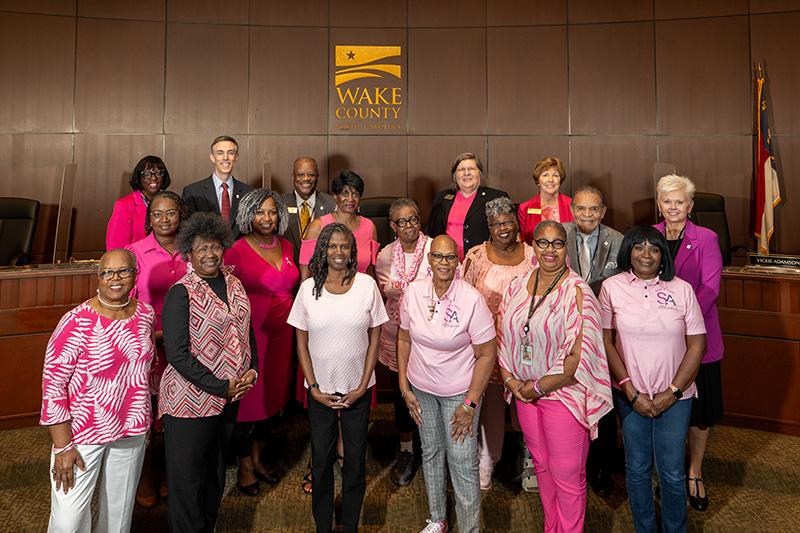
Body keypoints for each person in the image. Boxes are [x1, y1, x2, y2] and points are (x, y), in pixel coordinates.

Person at [497, 221, 612, 533]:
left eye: (557, 243)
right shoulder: (516, 286)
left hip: (564, 394)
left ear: (566, 247)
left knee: (567, 475)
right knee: (543, 468)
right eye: (542, 242)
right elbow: (503, 335)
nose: (549, 250)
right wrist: (510, 381)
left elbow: (576, 357)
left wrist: (536, 387)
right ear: (533, 246)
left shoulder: (578, 292)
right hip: (524, 393)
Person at [599, 224, 706, 533]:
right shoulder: (612, 287)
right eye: (638, 247)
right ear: (628, 252)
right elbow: (606, 342)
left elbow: (698, 344)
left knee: (672, 472)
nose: (646, 254)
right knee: (637, 469)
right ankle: (645, 528)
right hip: (631, 396)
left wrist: (672, 392)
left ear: (663, 256)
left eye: (654, 248)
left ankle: (676, 529)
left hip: (676, 397)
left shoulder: (682, 289)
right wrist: (630, 391)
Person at [40, 249, 156, 533]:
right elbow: (53, 385)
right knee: (69, 522)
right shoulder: (76, 321)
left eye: (123, 271)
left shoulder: (145, 315)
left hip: (132, 428)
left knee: (118, 517)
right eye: (107, 272)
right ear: (98, 277)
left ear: (135, 275)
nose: (115, 278)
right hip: (82, 434)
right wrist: (62, 445)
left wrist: (148, 418)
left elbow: (148, 369)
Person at [159, 212, 258, 533]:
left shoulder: (234, 282)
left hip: (230, 398)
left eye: (215, 246)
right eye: (201, 248)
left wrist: (252, 368)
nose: (210, 254)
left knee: (215, 476)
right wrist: (220, 386)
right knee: (189, 484)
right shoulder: (181, 292)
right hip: (189, 404)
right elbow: (176, 354)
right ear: (189, 252)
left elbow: (247, 330)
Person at [287, 223, 389, 533]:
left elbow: (375, 338)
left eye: (344, 246)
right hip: (320, 393)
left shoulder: (367, 285)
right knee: (321, 464)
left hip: (358, 390)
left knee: (355, 463)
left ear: (352, 251)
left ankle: (350, 525)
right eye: (332, 246)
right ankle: (323, 526)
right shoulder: (308, 289)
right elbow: (300, 342)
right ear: (323, 250)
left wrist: (363, 384)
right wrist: (313, 387)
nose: (339, 252)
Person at [397, 235, 497, 533]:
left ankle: (469, 529)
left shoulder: (472, 299)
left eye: (450, 257)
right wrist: (403, 386)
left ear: (458, 261)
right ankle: (437, 519)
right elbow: (403, 337)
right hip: (421, 390)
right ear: (430, 260)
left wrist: (471, 403)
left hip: (459, 395)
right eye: (438, 257)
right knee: (430, 452)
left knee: (463, 463)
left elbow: (487, 354)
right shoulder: (413, 292)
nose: (444, 263)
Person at [654, 174, 723, 512]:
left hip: (697, 338)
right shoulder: (649, 236)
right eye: (667, 201)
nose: (673, 207)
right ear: (659, 204)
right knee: (664, 407)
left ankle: (694, 471)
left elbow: (710, 289)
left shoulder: (707, 238)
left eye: (679, 201)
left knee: (699, 413)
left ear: (690, 206)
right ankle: (668, 473)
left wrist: (680, 321)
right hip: (656, 340)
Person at [225, 189, 300, 495]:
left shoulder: (286, 245)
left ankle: (257, 458)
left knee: (273, 401)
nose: (267, 218)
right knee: (247, 404)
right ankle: (244, 467)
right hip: (250, 337)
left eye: (272, 212)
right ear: (247, 216)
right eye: (259, 212)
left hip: (284, 336)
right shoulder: (236, 250)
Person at [462, 197, 536, 491]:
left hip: (526, 346)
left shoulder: (534, 255)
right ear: (489, 228)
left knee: (527, 401)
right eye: (496, 224)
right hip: (488, 345)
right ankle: (487, 458)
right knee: (491, 403)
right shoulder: (476, 256)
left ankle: (530, 456)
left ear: (516, 224)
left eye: (508, 221)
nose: (503, 228)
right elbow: (464, 298)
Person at [126, 190, 188, 508]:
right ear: (149, 219)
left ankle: (170, 473)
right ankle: (146, 473)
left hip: (186, 349)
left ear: (181, 215)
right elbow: (125, 303)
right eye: (157, 214)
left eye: (171, 213)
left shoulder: (192, 250)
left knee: (177, 417)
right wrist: (154, 335)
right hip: (149, 349)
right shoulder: (134, 252)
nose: (164, 220)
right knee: (147, 415)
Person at [563, 185, 624, 497]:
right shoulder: (558, 234)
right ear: (572, 210)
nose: (587, 214)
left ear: (603, 211)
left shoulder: (619, 240)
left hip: (604, 332)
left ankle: (602, 465)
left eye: (593, 209)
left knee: (602, 398)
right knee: (570, 399)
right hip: (566, 331)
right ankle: (575, 464)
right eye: (581, 209)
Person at [375, 198, 432, 487]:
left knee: (431, 395)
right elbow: (384, 294)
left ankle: (432, 450)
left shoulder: (436, 249)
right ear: (393, 226)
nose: (409, 226)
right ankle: (407, 450)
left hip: (431, 338)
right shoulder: (385, 255)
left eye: (413, 219)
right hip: (396, 336)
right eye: (402, 221)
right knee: (402, 395)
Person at [427, 152, 509, 261]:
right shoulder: (442, 198)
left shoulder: (496, 197)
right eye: (461, 170)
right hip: (448, 263)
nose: (466, 173)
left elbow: (506, 233)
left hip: (484, 261)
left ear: (480, 173)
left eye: (471, 169)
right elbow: (433, 233)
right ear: (455, 175)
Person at [300, 170, 379, 280]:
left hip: (360, 292)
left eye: (355, 194)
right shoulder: (317, 226)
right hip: (326, 293)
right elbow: (305, 276)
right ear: (335, 196)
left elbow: (371, 270)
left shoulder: (370, 227)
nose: (350, 199)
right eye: (345, 194)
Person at [181, 135, 253, 239]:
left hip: (240, 252)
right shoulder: (193, 192)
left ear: (236, 157)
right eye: (220, 153)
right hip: (207, 253)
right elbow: (188, 231)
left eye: (231, 153)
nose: (225, 158)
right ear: (212, 157)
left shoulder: (249, 193)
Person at [106, 155, 171, 250]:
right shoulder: (125, 205)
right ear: (139, 177)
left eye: (158, 173)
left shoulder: (171, 202)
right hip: (136, 262)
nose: (153, 178)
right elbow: (115, 248)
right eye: (147, 174)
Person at [282, 157, 337, 265]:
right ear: (293, 177)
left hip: (322, 271)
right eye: (300, 175)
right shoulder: (280, 204)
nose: (306, 178)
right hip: (289, 271)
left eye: (311, 174)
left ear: (317, 177)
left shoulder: (332, 204)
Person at [517, 156, 574, 246]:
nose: (551, 180)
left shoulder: (572, 205)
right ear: (538, 180)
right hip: (534, 257)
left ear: (560, 180)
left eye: (555, 175)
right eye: (545, 175)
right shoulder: (524, 208)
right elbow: (524, 242)